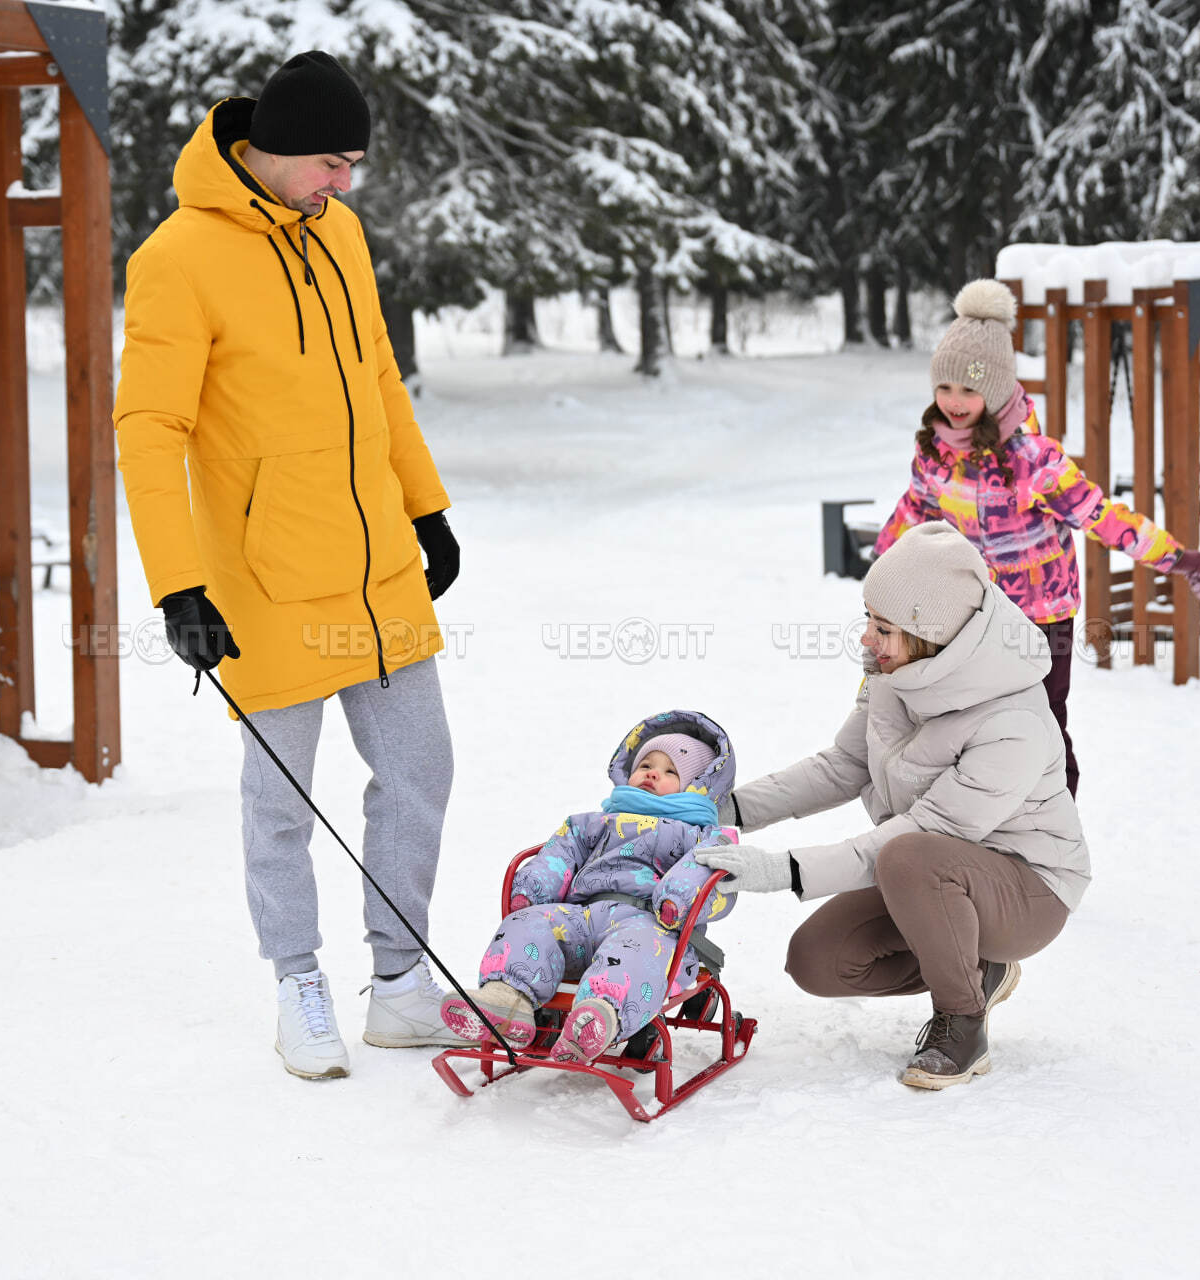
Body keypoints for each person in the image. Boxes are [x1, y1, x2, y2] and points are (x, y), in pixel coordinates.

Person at [113, 51, 466, 1080]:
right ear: (268, 151)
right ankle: (297, 982)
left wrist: (426, 505)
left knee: (419, 769)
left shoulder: (340, 235)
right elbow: (149, 427)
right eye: (330, 161)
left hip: (375, 569)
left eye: (353, 163)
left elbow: (378, 382)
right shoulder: (178, 257)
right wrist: (179, 583)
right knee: (282, 798)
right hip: (262, 582)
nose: (345, 183)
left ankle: (400, 985)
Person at [700, 522, 1090, 1090]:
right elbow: (841, 766)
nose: (866, 639)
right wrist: (722, 807)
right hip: (928, 877)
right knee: (818, 960)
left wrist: (782, 869)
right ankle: (980, 969)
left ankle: (962, 1020)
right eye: (868, 619)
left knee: (909, 856)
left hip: (1028, 888)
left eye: (883, 628)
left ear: (934, 638)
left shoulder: (1014, 723)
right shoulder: (896, 674)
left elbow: (925, 831)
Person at [873, 278, 1200, 796]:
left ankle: (1055, 830)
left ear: (994, 391)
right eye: (945, 387)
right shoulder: (935, 453)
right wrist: (881, 576)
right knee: (968, 724)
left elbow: (1102, 516)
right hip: (976, 614)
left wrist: (1180, 560)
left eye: (969, 389)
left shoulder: (1035, 460)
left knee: (1041, 723)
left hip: (1042, 614)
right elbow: (915, 513)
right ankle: (982, 827)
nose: (954, 401)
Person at [441, 711, 737, 1064]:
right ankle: (506, 1001)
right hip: (581, 915)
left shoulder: (702, 835)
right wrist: (533, 888)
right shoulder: (593, 823)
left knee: (635, 951)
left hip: (651, 923)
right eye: (646, 764)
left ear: (697, 786)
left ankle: (599, 1017)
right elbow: (560, 854)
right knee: (529, 923)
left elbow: (707, 871)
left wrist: (678, 897)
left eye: (671, 771)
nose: (653, 773)